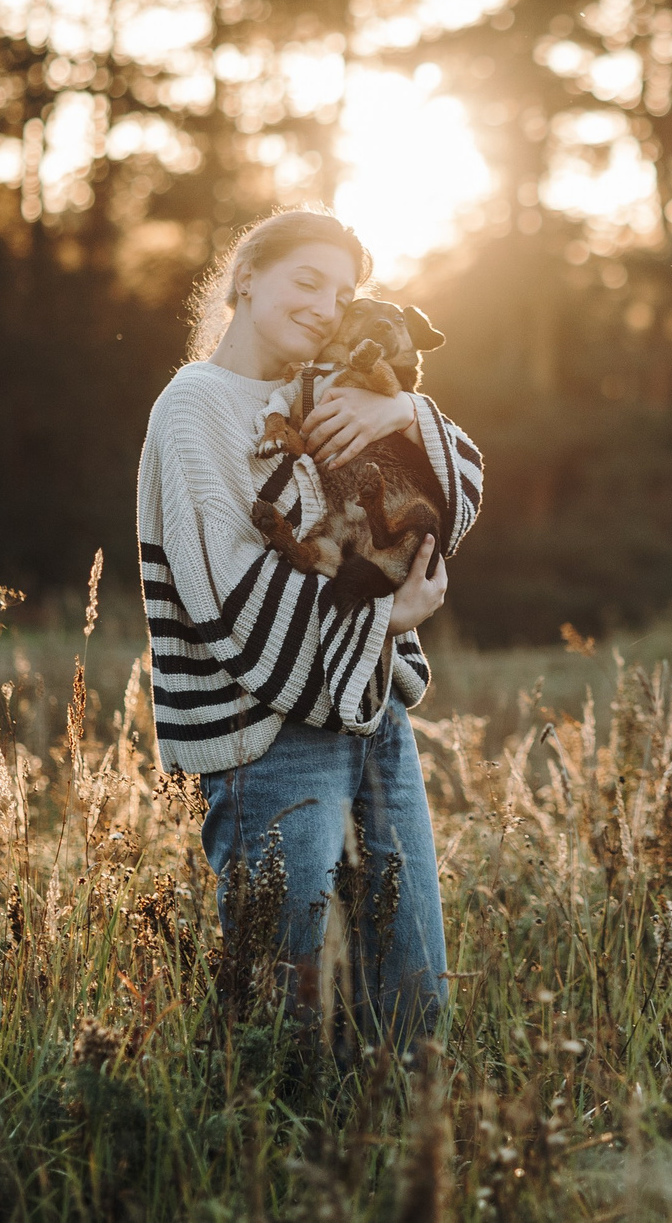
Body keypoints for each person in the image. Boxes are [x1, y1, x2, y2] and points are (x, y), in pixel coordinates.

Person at [135, 209, 481, 1047]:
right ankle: (251, 1133)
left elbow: (457, 495)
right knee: (282, 1005)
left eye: (343, 293)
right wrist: (384, 617)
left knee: (411, 998)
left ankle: (396, 1132)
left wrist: (402, 412)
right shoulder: (194, 404)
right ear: (247, 277)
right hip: (268, 730)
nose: (326, 307)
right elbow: (225, 588)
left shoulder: (336, 391)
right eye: (307, 281)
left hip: (372, 712)